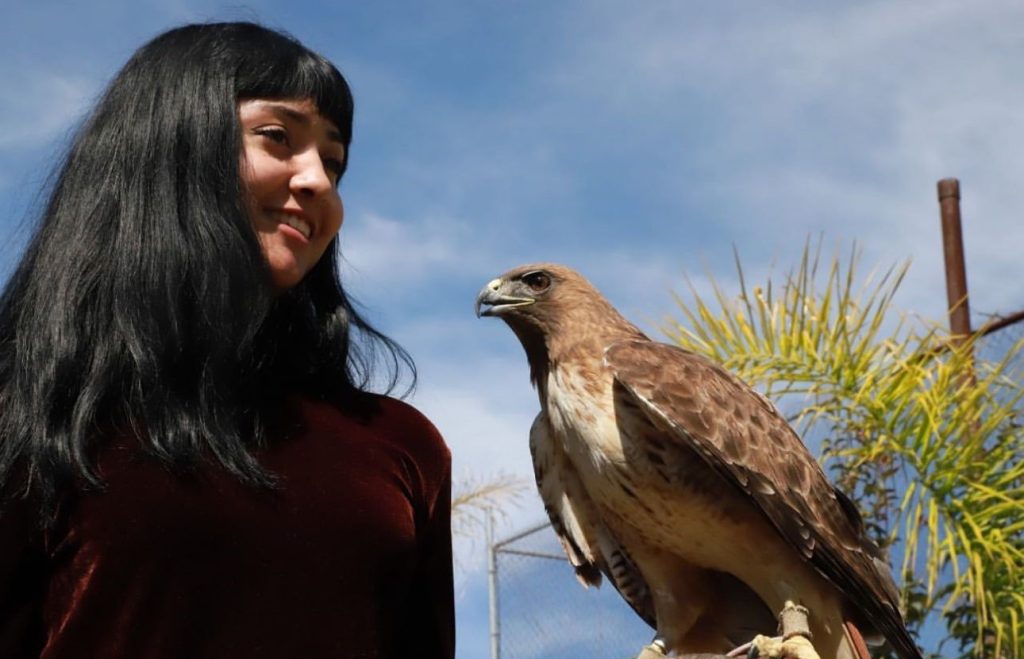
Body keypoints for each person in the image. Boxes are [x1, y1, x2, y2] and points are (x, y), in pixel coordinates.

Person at [0, 22, 454, 658]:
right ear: (169, 144)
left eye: (334, 162)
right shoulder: (24, 404)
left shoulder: (403, 448)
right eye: (278, 137)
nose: (319, 182)